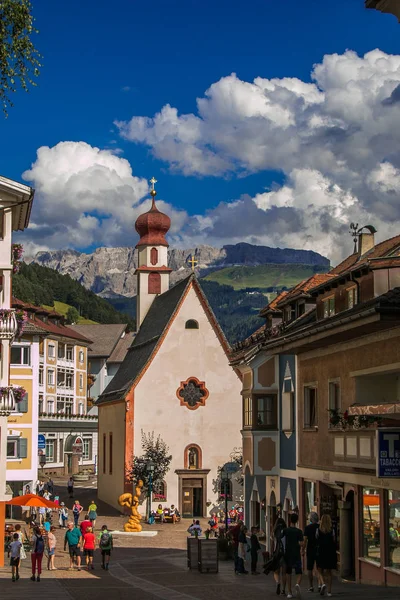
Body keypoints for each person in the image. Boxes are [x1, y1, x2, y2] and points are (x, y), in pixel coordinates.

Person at [283, 513, 304, 599]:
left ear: (290, 520)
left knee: (288, 572)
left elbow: (281, 541)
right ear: (297, 521)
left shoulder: (285, 531)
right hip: (296, 554)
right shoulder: (299, 531)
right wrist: (299, 545)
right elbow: (302, 543)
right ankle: (297, 584)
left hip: (287, 554)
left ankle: (289, 592)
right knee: (299, 572)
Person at [316, 514, 337, 598]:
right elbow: (334, 540)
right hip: (330, 553)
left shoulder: (318, 530)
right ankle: (329, 591)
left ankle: (323, 583)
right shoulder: (332, 531)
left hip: (321, 552)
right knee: (329, 572)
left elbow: (316, 539)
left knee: (319, 569)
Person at [304, 512, 323, 593]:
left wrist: (302, 549)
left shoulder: (307, 528)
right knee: (319, 568)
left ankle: (311, 586)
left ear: (311, 519)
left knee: (309, 569)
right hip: (319, 549)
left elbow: (305, 540)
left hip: (310, 550)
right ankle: (319, 585)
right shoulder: (320, 527)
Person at [272, 517, 287, 596]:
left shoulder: (274, 532)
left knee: (276, 572)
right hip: (284, 554)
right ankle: (284, 590)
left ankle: (278, 582)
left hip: (277, 553)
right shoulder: (286, 531)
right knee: (284, 573)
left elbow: (273, 544)